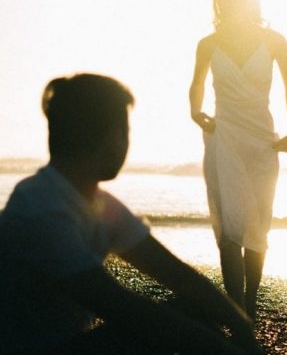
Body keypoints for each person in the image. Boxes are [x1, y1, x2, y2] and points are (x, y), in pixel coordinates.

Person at [0, 73, 264, 355]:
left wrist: (240, 323)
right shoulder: (41, 208)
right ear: (107, 135)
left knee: (192, 308)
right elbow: (120, 306)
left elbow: (175, 273)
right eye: (124, 131)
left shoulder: (95, 202)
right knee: (164, 326)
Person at [189, 0, 287, 321]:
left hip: (263, 141)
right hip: (224, 138)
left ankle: (250, 304)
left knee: (258, 226)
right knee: (230, 225)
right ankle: (236, 310)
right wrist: (195, 111)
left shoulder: (274, 40)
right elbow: (196, 84)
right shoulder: (207, 44)